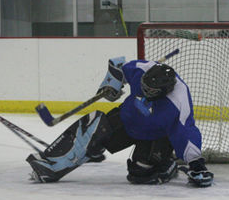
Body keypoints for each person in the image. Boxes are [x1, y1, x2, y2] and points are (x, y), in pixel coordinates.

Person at [26, 57, 214, 187]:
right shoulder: (143, 70)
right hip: (126, 120)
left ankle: (167, 164)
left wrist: (196, 164)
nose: (145, 92)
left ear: (165, 91)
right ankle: (52, 163)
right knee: (93, 122)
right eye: (144, 87)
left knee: (140, 175)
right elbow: (118, 65)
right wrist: (111, 84)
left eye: (151, 91)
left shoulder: (178, 102)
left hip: (155, 135)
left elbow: (187, 132)